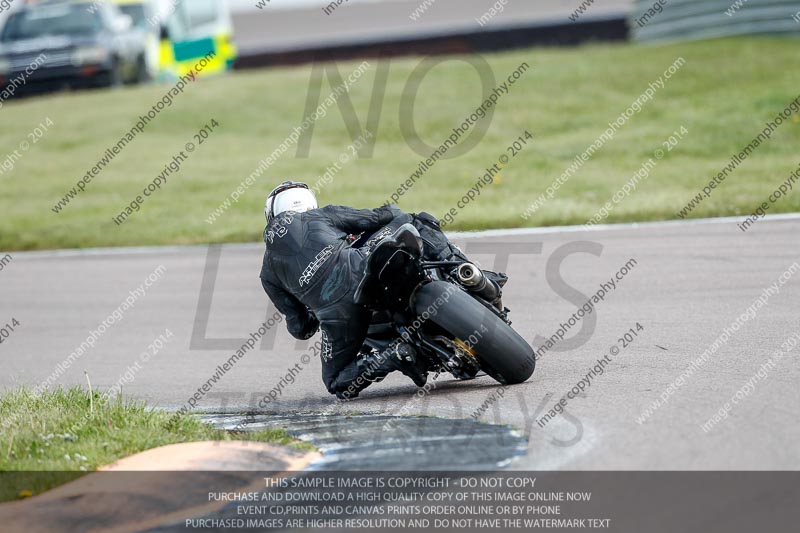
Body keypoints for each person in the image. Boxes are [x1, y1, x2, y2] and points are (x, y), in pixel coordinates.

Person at [259, 181, 503, 400]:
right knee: (417, 219)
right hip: (362, 268)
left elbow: (300, 329)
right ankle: (465, 271)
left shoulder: (268, 272)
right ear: (310, 203)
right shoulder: (323, 215)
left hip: (339, 315)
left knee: (336, 382)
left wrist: (314, 309)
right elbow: (385, 214)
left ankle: (392, 355)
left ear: (271, 214)